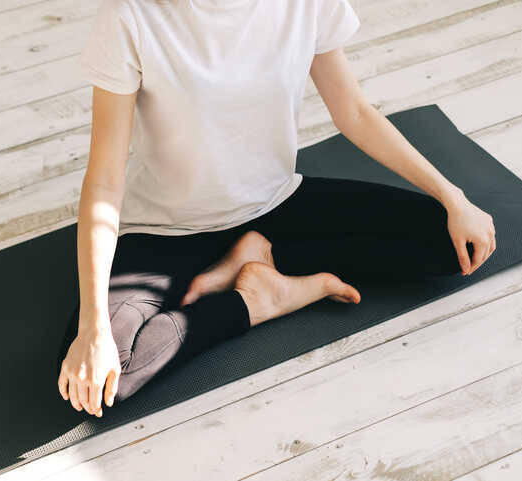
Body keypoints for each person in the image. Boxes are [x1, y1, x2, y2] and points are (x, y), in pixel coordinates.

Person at [56, 0, 496, 418]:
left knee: (452, 244)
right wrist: (93, 328)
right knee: (101, 377)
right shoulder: (130, 16)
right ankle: (259, 298)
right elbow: (105, 177)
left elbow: (355, 113)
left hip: (276, 208)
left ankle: (250, 256)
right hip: (165, 232)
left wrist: (452, 198)